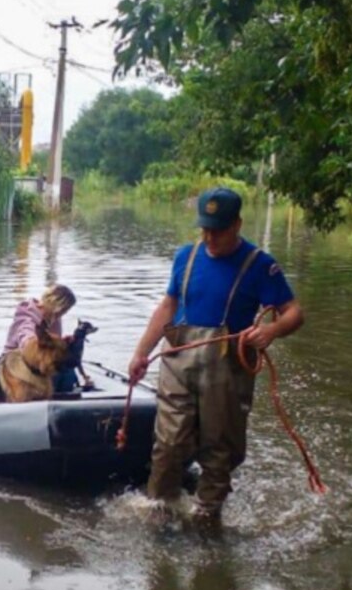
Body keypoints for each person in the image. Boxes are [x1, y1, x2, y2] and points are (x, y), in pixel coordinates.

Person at [127, 187, 304, 521]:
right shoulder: (185, 257)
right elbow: (168, 306)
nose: (209, 236)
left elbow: (294, 312)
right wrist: (140, 353)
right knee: (168, 443)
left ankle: (208, 520)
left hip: (227, 371)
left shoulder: (259, 265)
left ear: (236, 225)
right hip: (178, 363)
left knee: (219, 450)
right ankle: (159, 511)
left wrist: (271, 331)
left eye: (218, 230)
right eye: (204, 228)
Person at [5, 283, 79, 392]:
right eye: (63, 310)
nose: (63, 314)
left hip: (40, 363)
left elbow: (51, 344)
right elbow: (25, 334)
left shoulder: (54, 318)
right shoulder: (26, 313)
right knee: (64, 374)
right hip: (16, 363)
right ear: (55, 304)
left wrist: (62, 342)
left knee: (67, 371)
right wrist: (34, 342)